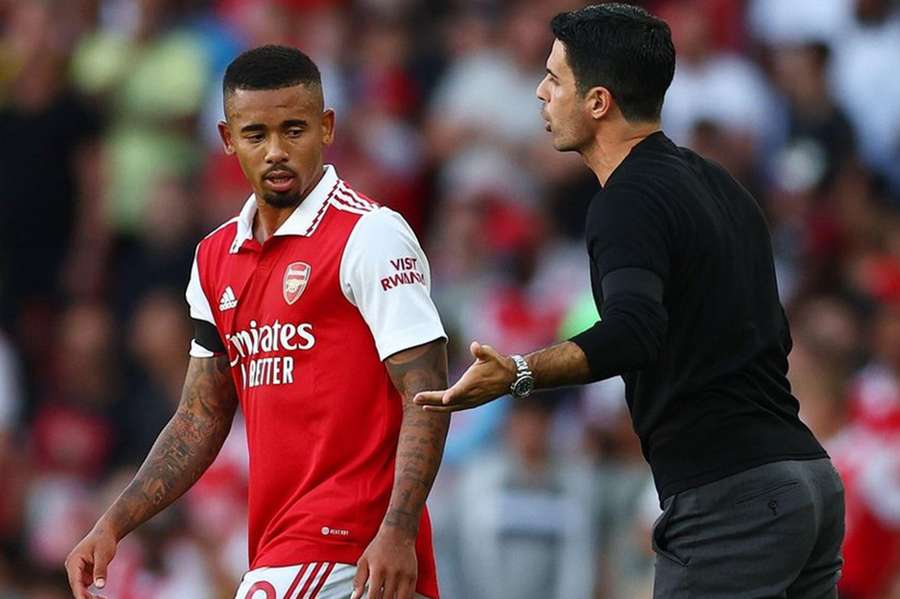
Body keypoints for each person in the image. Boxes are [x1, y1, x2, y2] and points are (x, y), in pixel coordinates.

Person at [414, 5, 845, 597]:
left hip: (732, 500)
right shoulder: (723, 185)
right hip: (806, 483)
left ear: (598, 102)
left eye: (554, 79)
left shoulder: (626, 200)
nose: (540, 92)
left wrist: (517, 373)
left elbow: (635, 331)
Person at [65, 45, 450, 599]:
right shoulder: (214, 257)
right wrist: (112, 524)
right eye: (255, 135)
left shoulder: (371, 235)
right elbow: (200, 415)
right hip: (277, 544)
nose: (275, 151)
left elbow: (427, 389)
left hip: (346, 543)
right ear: (227, 140)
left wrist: (396, 531)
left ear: (327, 127)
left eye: (294, 130)